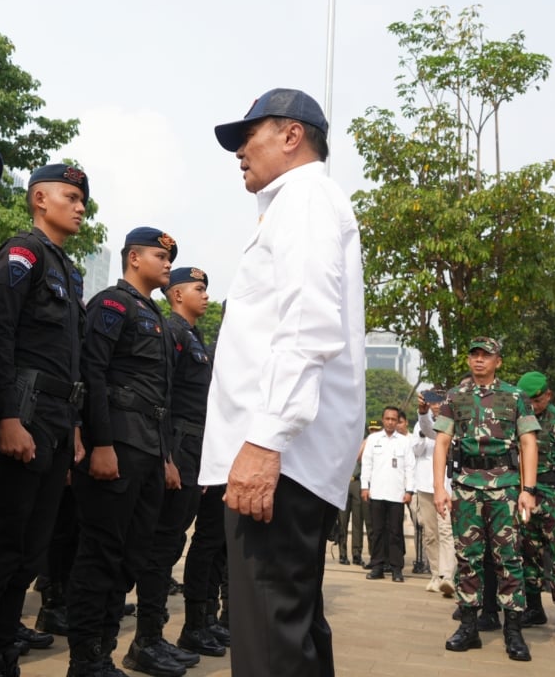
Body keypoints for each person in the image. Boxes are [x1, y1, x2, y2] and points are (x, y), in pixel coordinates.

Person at [201, 88, 366, 677]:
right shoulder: (300, 203)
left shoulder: (304, 200)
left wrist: (266, 438)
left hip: (279, 459)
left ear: (291, 135)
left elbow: (308, 326)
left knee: (270, 637)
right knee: (290, 627)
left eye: (249, 137)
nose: (240, 152)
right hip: (288, 457)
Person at [0, 163, 90, 677]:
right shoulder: (23, 253)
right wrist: (7, 417)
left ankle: (2, 652)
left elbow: (70, 359)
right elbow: (0, 335)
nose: (79, 206)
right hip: (24, 415)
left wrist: (74, 428)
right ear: (39, 199)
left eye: (82, 199)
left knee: (29, 552)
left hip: (56, 424)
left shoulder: (67, 268)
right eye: (70, 196)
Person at [67, 227, 178, 677]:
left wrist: (166, 456)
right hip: (119, 441)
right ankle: (85, 658)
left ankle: (105, 649)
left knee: (131, 555)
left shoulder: (151, 312)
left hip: (148, 446)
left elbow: (162, 394)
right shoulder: (112, 304)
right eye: (160, 254)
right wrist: (101, 443)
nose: (168, 262)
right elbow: (92, 372)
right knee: (101, 553)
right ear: (133, 257)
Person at [133, 265, 224, 664]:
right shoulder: (171, 333)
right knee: (163, 544)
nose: (206, 295)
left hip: (195, 447)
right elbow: (163, 398)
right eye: (199, 289)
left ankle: (185, 629)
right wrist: (167, 456)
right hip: (178, 444)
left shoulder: (194, 335)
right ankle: (146, 639)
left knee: (178, 541)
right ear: (176, 295)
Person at [433, 337, 539, 662]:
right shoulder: (456, 397)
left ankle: (513, 632)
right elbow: (441, 443)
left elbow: (528, 443)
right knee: (468, 558)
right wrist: (439, 487)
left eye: (486, 355)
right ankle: (468, 628)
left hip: (505, 486)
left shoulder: (515, 396)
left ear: (498, 361)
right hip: (466, 485)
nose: (479, 360)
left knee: (509, 559)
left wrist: (528, 490)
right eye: (474, 355)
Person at [513, 371, 555, 644]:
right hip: (527, 497)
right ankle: (534, 609)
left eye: (537, 400)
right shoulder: (518, 420)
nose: (532, 405)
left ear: (548, 395)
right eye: (527, 400)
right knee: (527, 556)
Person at [361, 406, 414, 582]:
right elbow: (366, 464)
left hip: (397, 494)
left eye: (394, 419)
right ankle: (377, 566)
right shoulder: (373, 438)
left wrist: (409, 490)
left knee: (395, 532)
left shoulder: (405, 441)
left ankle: (396, 568)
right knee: (377, 531)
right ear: (383, 420)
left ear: (398, 421)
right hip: (376, 492)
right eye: (387, 419)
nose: (390, 422)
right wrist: (364, 486)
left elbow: (410, 467)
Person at [412, 396, 453, 598]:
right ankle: (436, 574)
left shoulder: (452, 422)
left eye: (439, 401)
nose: (436, 405)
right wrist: (422, 415)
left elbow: (436, 434)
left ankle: (448, 576)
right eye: (432, 402)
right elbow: (418, 447)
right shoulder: (421, 424)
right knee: (430, 534)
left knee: (446, 531)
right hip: (424, 485)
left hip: (446, 487)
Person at [335, 434, 368, 566]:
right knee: (342, 521)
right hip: (343, 483)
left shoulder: (363, 443)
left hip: (356, 482)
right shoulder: (340, 443)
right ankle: (342, 553)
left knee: (357, 521)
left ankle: (356, 553)